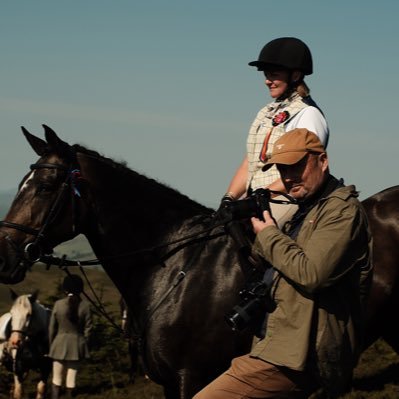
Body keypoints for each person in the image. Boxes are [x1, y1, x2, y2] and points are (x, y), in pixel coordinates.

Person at [194, 128, 373, 399]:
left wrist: (268, 234)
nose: (289, 177)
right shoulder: (307, 209)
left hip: (301, 355)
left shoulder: (342, 211)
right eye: (282, 169)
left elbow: (312, 273)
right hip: (280, 345)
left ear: (322, 161)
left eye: (297, 166)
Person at [222, 37, 329, 226]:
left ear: (295, 76)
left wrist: (262, 195)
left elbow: (305, 170)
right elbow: (251, 162)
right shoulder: (266, 112)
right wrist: (229, 197)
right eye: (266, 75)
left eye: (273, 75)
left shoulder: (307, 114)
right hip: (257, 199)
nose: (267, 81)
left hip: (288, 198)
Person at [49, 274, 92, 399]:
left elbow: (52, 328)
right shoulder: (86, 305)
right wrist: (85, 344)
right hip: (77, 344)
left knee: (56, 378)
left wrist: (52, 344)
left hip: (59, 343)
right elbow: (89, 328)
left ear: (65, 289)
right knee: (71, 377)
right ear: (80, 288)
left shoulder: (58, 304)